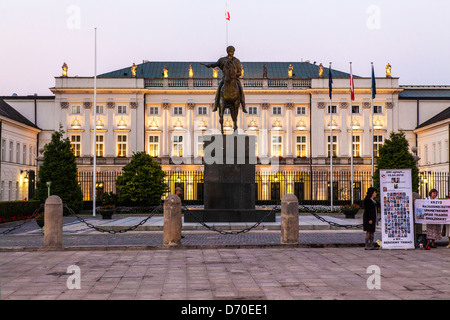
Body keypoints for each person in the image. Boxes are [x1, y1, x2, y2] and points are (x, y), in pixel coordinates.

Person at [204, 46, 247, 114]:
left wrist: (234, 75)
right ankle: (215, 105)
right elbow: (215, 64)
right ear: (227, 51)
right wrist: (210, 65)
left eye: (233, 51)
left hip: (235, 79)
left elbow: (240, 72)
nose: (231, 53)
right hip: (225, 79)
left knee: (241, 90)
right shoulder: (222, 60)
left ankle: (243, 106)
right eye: (230, 51)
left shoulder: (236, 61)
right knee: (219, 89)